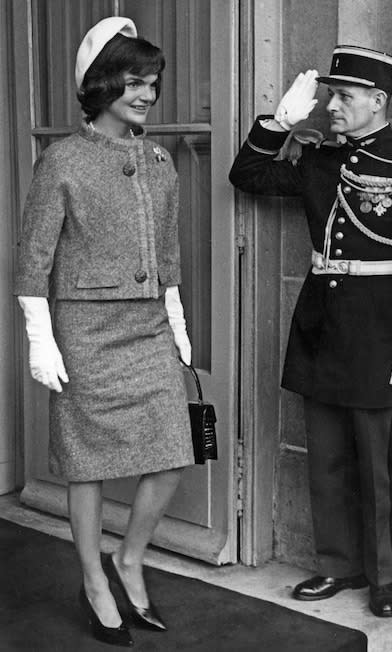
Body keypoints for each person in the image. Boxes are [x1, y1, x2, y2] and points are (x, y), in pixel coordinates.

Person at [229, 45, 392, 618]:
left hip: (382, 336)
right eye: (330, 95)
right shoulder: (321, 160)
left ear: (378, 102)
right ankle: (335, 565)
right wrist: (277, 124)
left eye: (343, 96)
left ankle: (382, 576)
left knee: (378, 464)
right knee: (325, 457)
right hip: (321, 330)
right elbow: (248, 175)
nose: (331, 105)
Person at [14, 17, 195, 647]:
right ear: (100, 85)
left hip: (147, 329)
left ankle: (130, 558)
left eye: (152, 83)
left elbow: (168, 251)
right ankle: (94, 578)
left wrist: (175, 323)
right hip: (85, 333)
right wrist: (41, 334)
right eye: (133, 82)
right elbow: (34, 256)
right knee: (86, 466)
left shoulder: (159, 160)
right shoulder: (61, 159)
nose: (146, 94)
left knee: (176, 447)